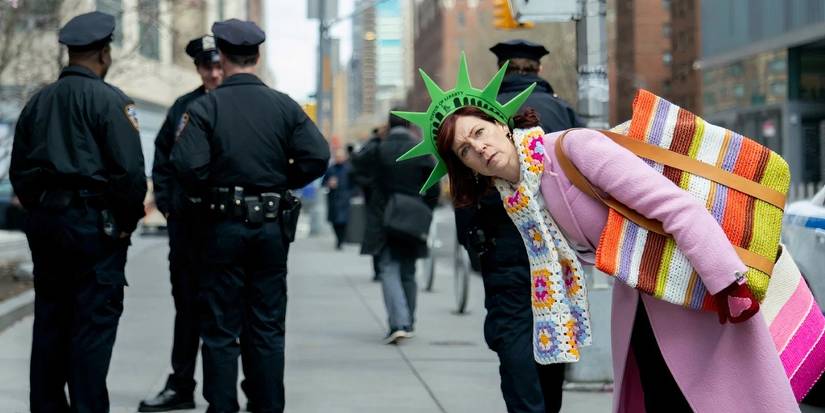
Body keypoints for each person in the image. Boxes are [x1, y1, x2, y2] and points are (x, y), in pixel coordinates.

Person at [394, 55, 799, 412]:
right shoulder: (518, 197)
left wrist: (727, 281)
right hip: (645, 298)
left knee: (713, 397)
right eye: (464, 150)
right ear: (465, 167)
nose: (477, 148)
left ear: (500, 125)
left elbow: (673, 206)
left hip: (696, 283)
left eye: (478, 133)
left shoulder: (574, 149)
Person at [170, 19, 330, 413]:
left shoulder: (205, 107)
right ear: (257, 57)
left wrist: (216, 186)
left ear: (221, 57)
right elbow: (319, 155)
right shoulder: (283, 105)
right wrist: (279, 181)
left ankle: (223, 406)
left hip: (221, 227)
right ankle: (267, 405)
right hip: (271, 229)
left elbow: (187, 166)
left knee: (220, 328)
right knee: (267, 325)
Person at [10, 11, 147, 412]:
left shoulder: (38, 103)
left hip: (50, 227)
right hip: (95, 229)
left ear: (69, 55)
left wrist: (42, 211)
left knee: (51, 326)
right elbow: (130, 175)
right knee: (91, 333)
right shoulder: (112, 102)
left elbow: (20, 171)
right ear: (104, 54)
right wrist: (123, 225)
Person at [453, 40, 582, 413]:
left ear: (500, 72)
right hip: (556, 249)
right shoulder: (562, 110)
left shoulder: (478, 118)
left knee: (514, 346)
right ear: (537, 71)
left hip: (504, 248)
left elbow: (464, 193)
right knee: (554, 342)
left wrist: (475, 248)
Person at [139, 35, 223, 412]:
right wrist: (171, 207)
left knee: (230, 311)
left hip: (229, 226)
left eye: (220, 65)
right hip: (188, 228)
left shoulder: (240, 103)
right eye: (208, 66)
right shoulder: (182, 108)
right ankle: (182, 385)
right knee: (187, 309)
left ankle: (237, 390)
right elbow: (163, 160)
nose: (215, 73)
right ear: (198, 68)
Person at [351, 112, 439, 344]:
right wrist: (424, 208)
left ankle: (398, 323)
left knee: (388, 268)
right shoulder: (420, 148)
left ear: (388, 126)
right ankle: (408, 321)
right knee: (408, 271)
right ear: (409, 124)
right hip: (413, 215)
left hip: (385, 215)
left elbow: (357, 164)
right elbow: (434, 186)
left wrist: (375, 138)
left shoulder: (380, 148)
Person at [351, 127, 384, 281]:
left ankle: (378, 270)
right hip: (381, 196)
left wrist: (367, 184)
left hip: (373, 197)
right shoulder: (377, 147)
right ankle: (380, 269)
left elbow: (355, 166)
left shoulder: (370, 147)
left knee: (376, 232)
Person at [322, 148, 354, 250]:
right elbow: (323, 183)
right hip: (333, 199)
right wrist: (328, 184)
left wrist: (351, 194)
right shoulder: (331, 169)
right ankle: (338, 239)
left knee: (343, 221)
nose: (339, 158)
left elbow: (355, 184)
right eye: (337, 156)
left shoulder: (349, 169)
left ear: (344, 157)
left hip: (345, 198)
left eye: (340, 156)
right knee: (334, 221)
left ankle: (340, 241)